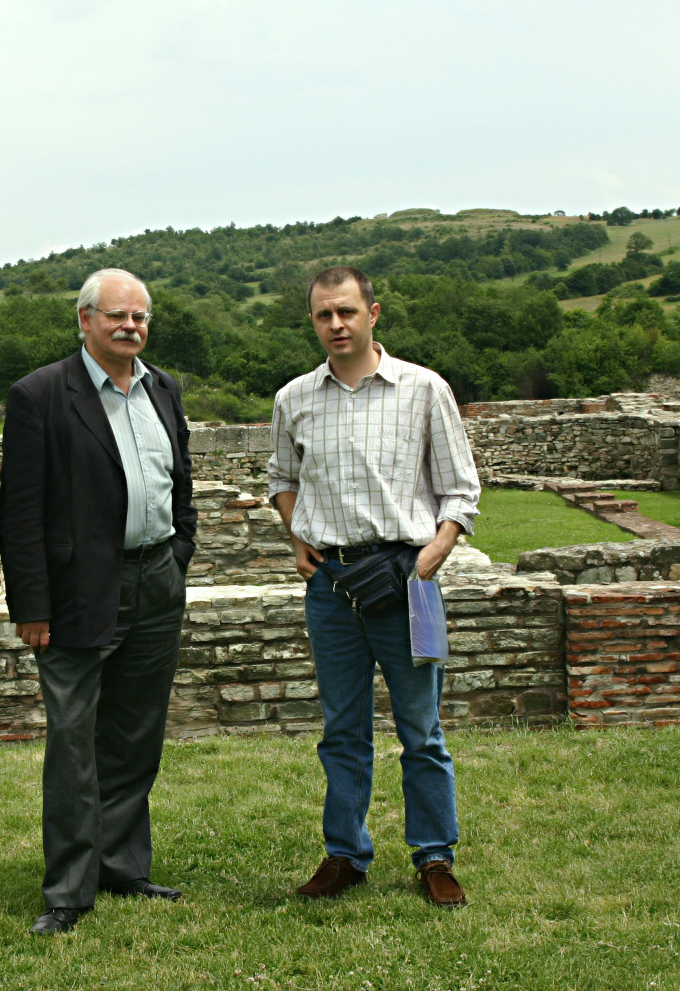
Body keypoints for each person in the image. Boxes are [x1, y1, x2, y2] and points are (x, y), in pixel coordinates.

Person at [265, 265, 480, 908]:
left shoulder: (424, 389)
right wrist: (295, 534)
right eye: (323, 315)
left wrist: (435, 551)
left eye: (347, 312)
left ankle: (435, 856)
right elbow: (282, 477)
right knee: (342, 729)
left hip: (408, 578)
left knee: (421, 728)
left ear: (373, 313)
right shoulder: (293, 398)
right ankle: (345, 855)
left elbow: (460, 488)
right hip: (331, 585)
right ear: (313, 321)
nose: (336, 324)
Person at [0, 267, 197, 935]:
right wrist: (32, 605)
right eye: (117, 316)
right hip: (76, 594)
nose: (130, 327)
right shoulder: (40, 395)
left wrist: (179, 550)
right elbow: (20, 511)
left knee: (135, 735)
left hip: (156, 580)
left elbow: (179, 482)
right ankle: (68, 891)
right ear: (85, 319)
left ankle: (122, 865)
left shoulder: (162, 388)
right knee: (74, 743)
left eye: (140, 317)